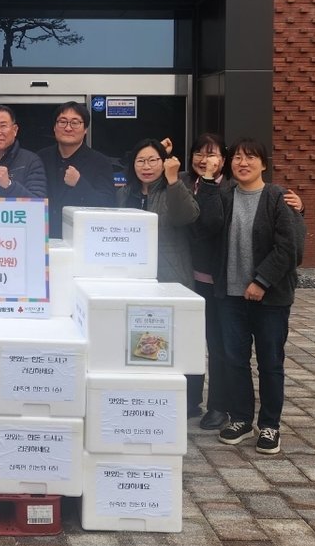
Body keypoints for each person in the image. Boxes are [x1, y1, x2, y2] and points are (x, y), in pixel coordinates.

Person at [215, 138, 306, 456]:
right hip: (231, 295)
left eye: (251, 157)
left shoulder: (278, 198)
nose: (243, 163)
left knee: (270, 363)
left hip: (270, 299)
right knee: (234, 360)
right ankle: (241, 419)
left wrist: (261, 281)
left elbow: (289, 248)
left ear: (263, 164)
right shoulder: (225, 195)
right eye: (238, 157)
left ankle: (270, 425)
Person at [184, 133, 229, 430]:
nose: (204, 160)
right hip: (189, 278)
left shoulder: (230, 188)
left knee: (217, 344)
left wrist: (210, 183)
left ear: (222, 160)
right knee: (189, 341)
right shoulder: (185, 183)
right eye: (199, 153)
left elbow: (210, 224)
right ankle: (190, 400)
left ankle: (219, 406)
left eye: (211, 154)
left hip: (218, 282)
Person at [118, 137, 201, 289]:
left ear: (164, 163)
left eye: (152, 160)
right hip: (131, 275)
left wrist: (173, 180)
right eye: (140, 161)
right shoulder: (124, 193)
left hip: (170, 278)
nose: (146, 166)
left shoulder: (173, 189)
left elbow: (187, 216)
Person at [38, 101, 116, 239]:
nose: (68, 128)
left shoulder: (100, 162)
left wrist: (79, 184)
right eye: (62, 122)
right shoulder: (41, 158)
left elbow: (107, 205)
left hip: (82, 239)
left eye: (75, 123)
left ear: (85, 129)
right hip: (44, 237)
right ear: (54, 127)